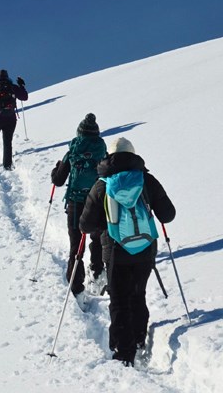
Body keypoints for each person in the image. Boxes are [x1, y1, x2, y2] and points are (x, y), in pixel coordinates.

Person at [79, 137, 176, 366]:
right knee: (138, 293)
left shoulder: (102, 184)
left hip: (115, 251)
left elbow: (85, 225)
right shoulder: (146, 180)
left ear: (109, 157)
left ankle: (123, 353)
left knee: (120, 300)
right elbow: (168, 214)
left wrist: (104, 223)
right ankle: (140, 339)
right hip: (145, 249)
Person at [51, 113, 107, 308]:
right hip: (98, 202)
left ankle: (76, 287)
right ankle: (98, 273)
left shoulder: (73, 150)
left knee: (76, 245)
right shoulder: (102, 150)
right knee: (98, 238)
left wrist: (56, 169)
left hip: (76, 202)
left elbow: (58, 180)